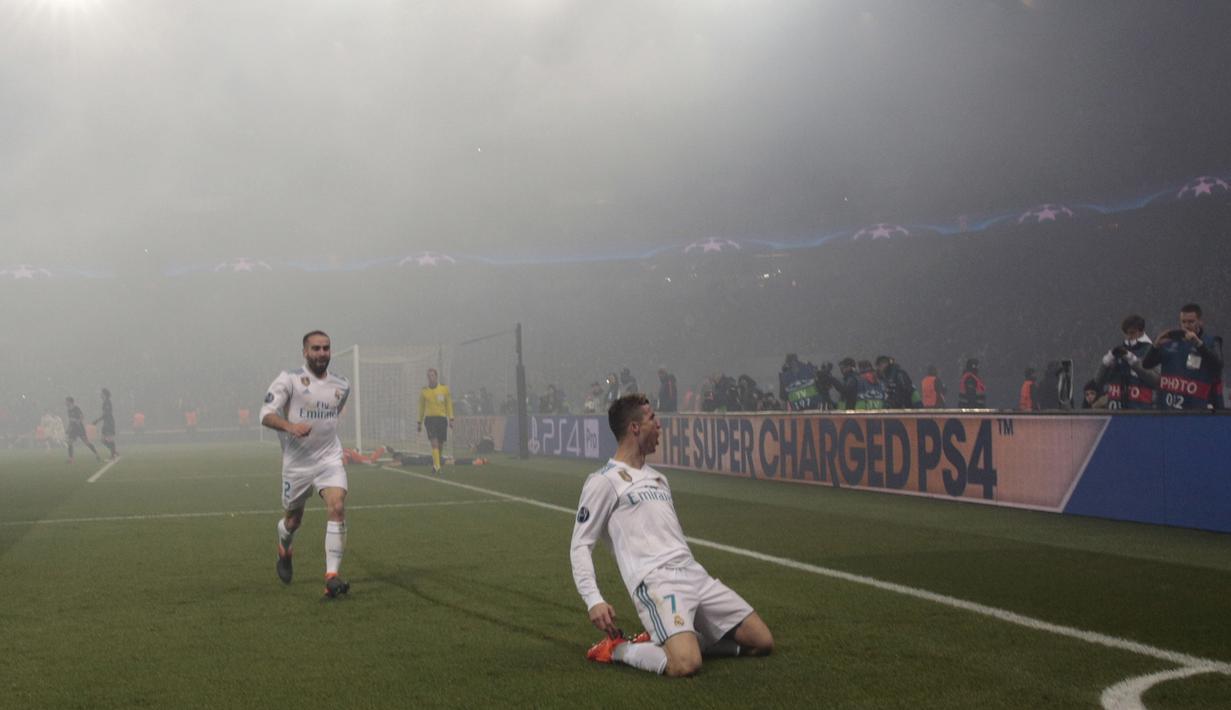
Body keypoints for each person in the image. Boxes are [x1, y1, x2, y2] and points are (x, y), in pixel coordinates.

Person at [570, 394, 774, 676]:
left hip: (694, 575)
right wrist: (594, 599)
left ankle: (668, 639)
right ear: (634, 428)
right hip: (657, 582)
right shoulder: (604, 481)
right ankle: (618, 649)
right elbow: (580, 545)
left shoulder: (658, 479)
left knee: (761, 641)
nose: (659, 425)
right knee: (685, 664)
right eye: (652, 418)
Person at [260, 330, 352, 599]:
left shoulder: (342, 384)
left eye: (326, 348)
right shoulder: (288, 379)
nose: (322, 353)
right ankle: (284, 547)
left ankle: (331, 577)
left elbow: (333, 412)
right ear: (305, 352)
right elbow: (265, 414)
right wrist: (289, 426)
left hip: (329, 458)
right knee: (293, 520)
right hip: (297, 464)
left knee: (337, 506)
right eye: (316, 348)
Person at [1142, 303, 1223, 411]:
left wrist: (1198, 344)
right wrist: (1155, 346)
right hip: (1167, 408)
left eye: (1191, 322)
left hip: (1197, 409)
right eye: (1183, 322)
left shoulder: (1211, 341)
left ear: (1200, 322)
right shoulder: (1169, 341)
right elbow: (1146, 364)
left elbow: (1218, 366)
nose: (1187, 325)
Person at [1093, 314, 1159, 410]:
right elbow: (1098, 382)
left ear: (1141, 332)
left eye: (1132, 333)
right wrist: (1106, 362)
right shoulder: (1119, 351)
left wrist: (1133, 361)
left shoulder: (1150, 350)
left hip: (1140, 410)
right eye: (1126, 333)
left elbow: (1156, 381)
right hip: (1115, 409)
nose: (1128, 337)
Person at [418, 367, 455, 474]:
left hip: (442, 419)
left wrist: (451, 418)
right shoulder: (424, 391)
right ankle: (437, 467)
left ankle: (436, 464)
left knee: (440, 445)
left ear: (436, 376)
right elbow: (421, 407)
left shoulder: (444, 389)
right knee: (434, 443)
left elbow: (448, 404)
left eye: (432, 375)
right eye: (429, 376)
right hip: (430, 420)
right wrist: (419, 422)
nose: (430, 378)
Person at [64, 396, 101, 463]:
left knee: (86, 442)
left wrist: (78, 420)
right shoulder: (68, 410)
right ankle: (71, 459)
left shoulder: (76, 408)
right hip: (73, 429)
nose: (65, 403)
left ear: (70, 402)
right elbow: (70, 420)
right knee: (69, 442)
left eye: (66, 401)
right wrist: (68, 428)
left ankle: (97, 454)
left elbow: (82, 416)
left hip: (79, 428)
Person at [93, 388, 119, 459]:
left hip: (109, 422)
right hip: (106, 422)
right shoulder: (105, 402)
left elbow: (106, 414)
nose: (100, 395)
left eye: (101, 393)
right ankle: (114, 451)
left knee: (110, 439)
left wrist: (97, 420)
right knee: (103, 440)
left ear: (104, 394)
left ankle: (112, 455)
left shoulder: (107, 402)